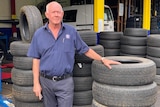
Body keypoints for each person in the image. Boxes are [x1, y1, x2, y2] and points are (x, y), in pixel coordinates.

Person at [27, 1, 120, 107]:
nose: (56, 15)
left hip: (65, 82)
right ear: (47, 14)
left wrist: (102, 59)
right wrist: (36, 83)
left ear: (62, 14)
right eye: (53, 12)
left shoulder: (71, 32)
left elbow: (85, 50)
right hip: (46, 82)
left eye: (59, 12)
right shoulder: (39, 34)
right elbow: (36, 59)